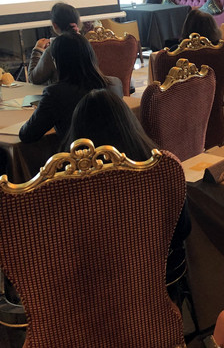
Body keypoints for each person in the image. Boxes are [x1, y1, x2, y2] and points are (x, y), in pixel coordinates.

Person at [64, 89, 191, 288]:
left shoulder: (66, 183)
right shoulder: (163, 168)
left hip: (97, 284)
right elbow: (183, 229)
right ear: (130, 123)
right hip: (161, 272)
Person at [19, 32, 123, 145]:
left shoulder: (55, 93)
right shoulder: (115, 83)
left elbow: (27, 135)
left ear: (58, 62)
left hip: (80, 154)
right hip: (117, 153)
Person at [28, 2, 81, 85]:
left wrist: (38, 49)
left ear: (54, 25)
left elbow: (34, 78)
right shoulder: (86, 44)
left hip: (62, 92)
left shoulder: (54, 49)